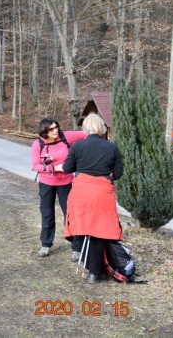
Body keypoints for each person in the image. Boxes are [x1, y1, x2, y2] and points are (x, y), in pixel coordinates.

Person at [59, 113, 123, 284]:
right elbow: (117, 174)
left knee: (85, 228)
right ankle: (97, 271)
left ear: (85, 128)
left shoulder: (78, 146)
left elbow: (67, 168)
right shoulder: (112, 148)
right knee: (100, 230)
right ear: (102, 128)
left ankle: (93, 270)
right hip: (102, 194)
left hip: (82, 193)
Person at [31, 118, 86, 259]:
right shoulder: (38, 144)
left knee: (70, 214)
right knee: (47, 213)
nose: (56, 131)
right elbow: (36, 165)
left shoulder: (65, 136)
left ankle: (77, 247)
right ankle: (46, 244)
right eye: (51, 129)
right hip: (46, 183)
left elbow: (86, 134)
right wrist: (54, 168)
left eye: (57, 127)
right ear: (44, 131)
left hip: (66, 182)